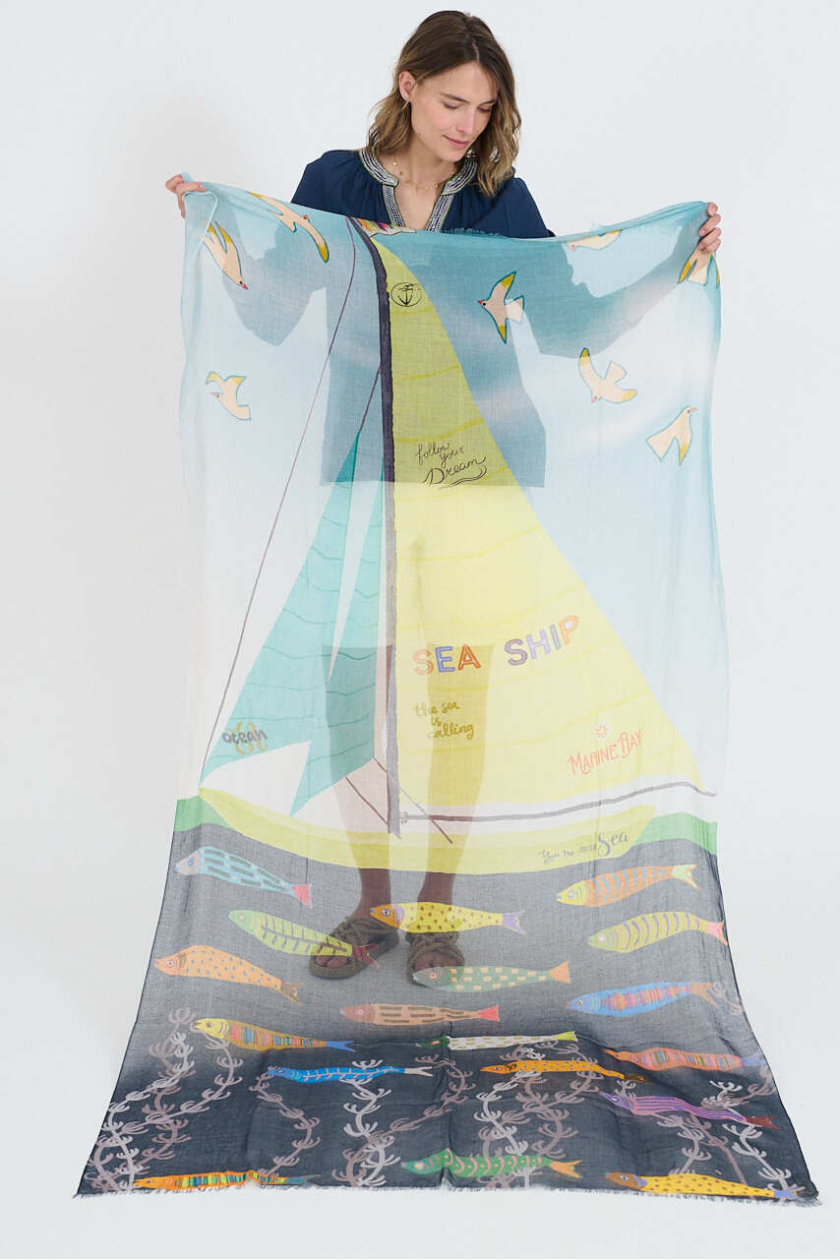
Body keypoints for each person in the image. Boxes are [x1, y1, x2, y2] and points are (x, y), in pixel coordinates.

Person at [165, 10, 722, 984]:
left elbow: (568, 325)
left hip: (479, 473)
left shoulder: (502, 201)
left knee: (456, 689)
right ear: (409, 85)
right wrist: (219, 231)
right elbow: (276, 312)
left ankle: (436, 911)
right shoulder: (335, 186)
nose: (468, 124)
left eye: (484, 109)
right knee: (355, 684)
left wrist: (676, 266)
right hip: (366, 464)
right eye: (453, 102)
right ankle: (373, 905)